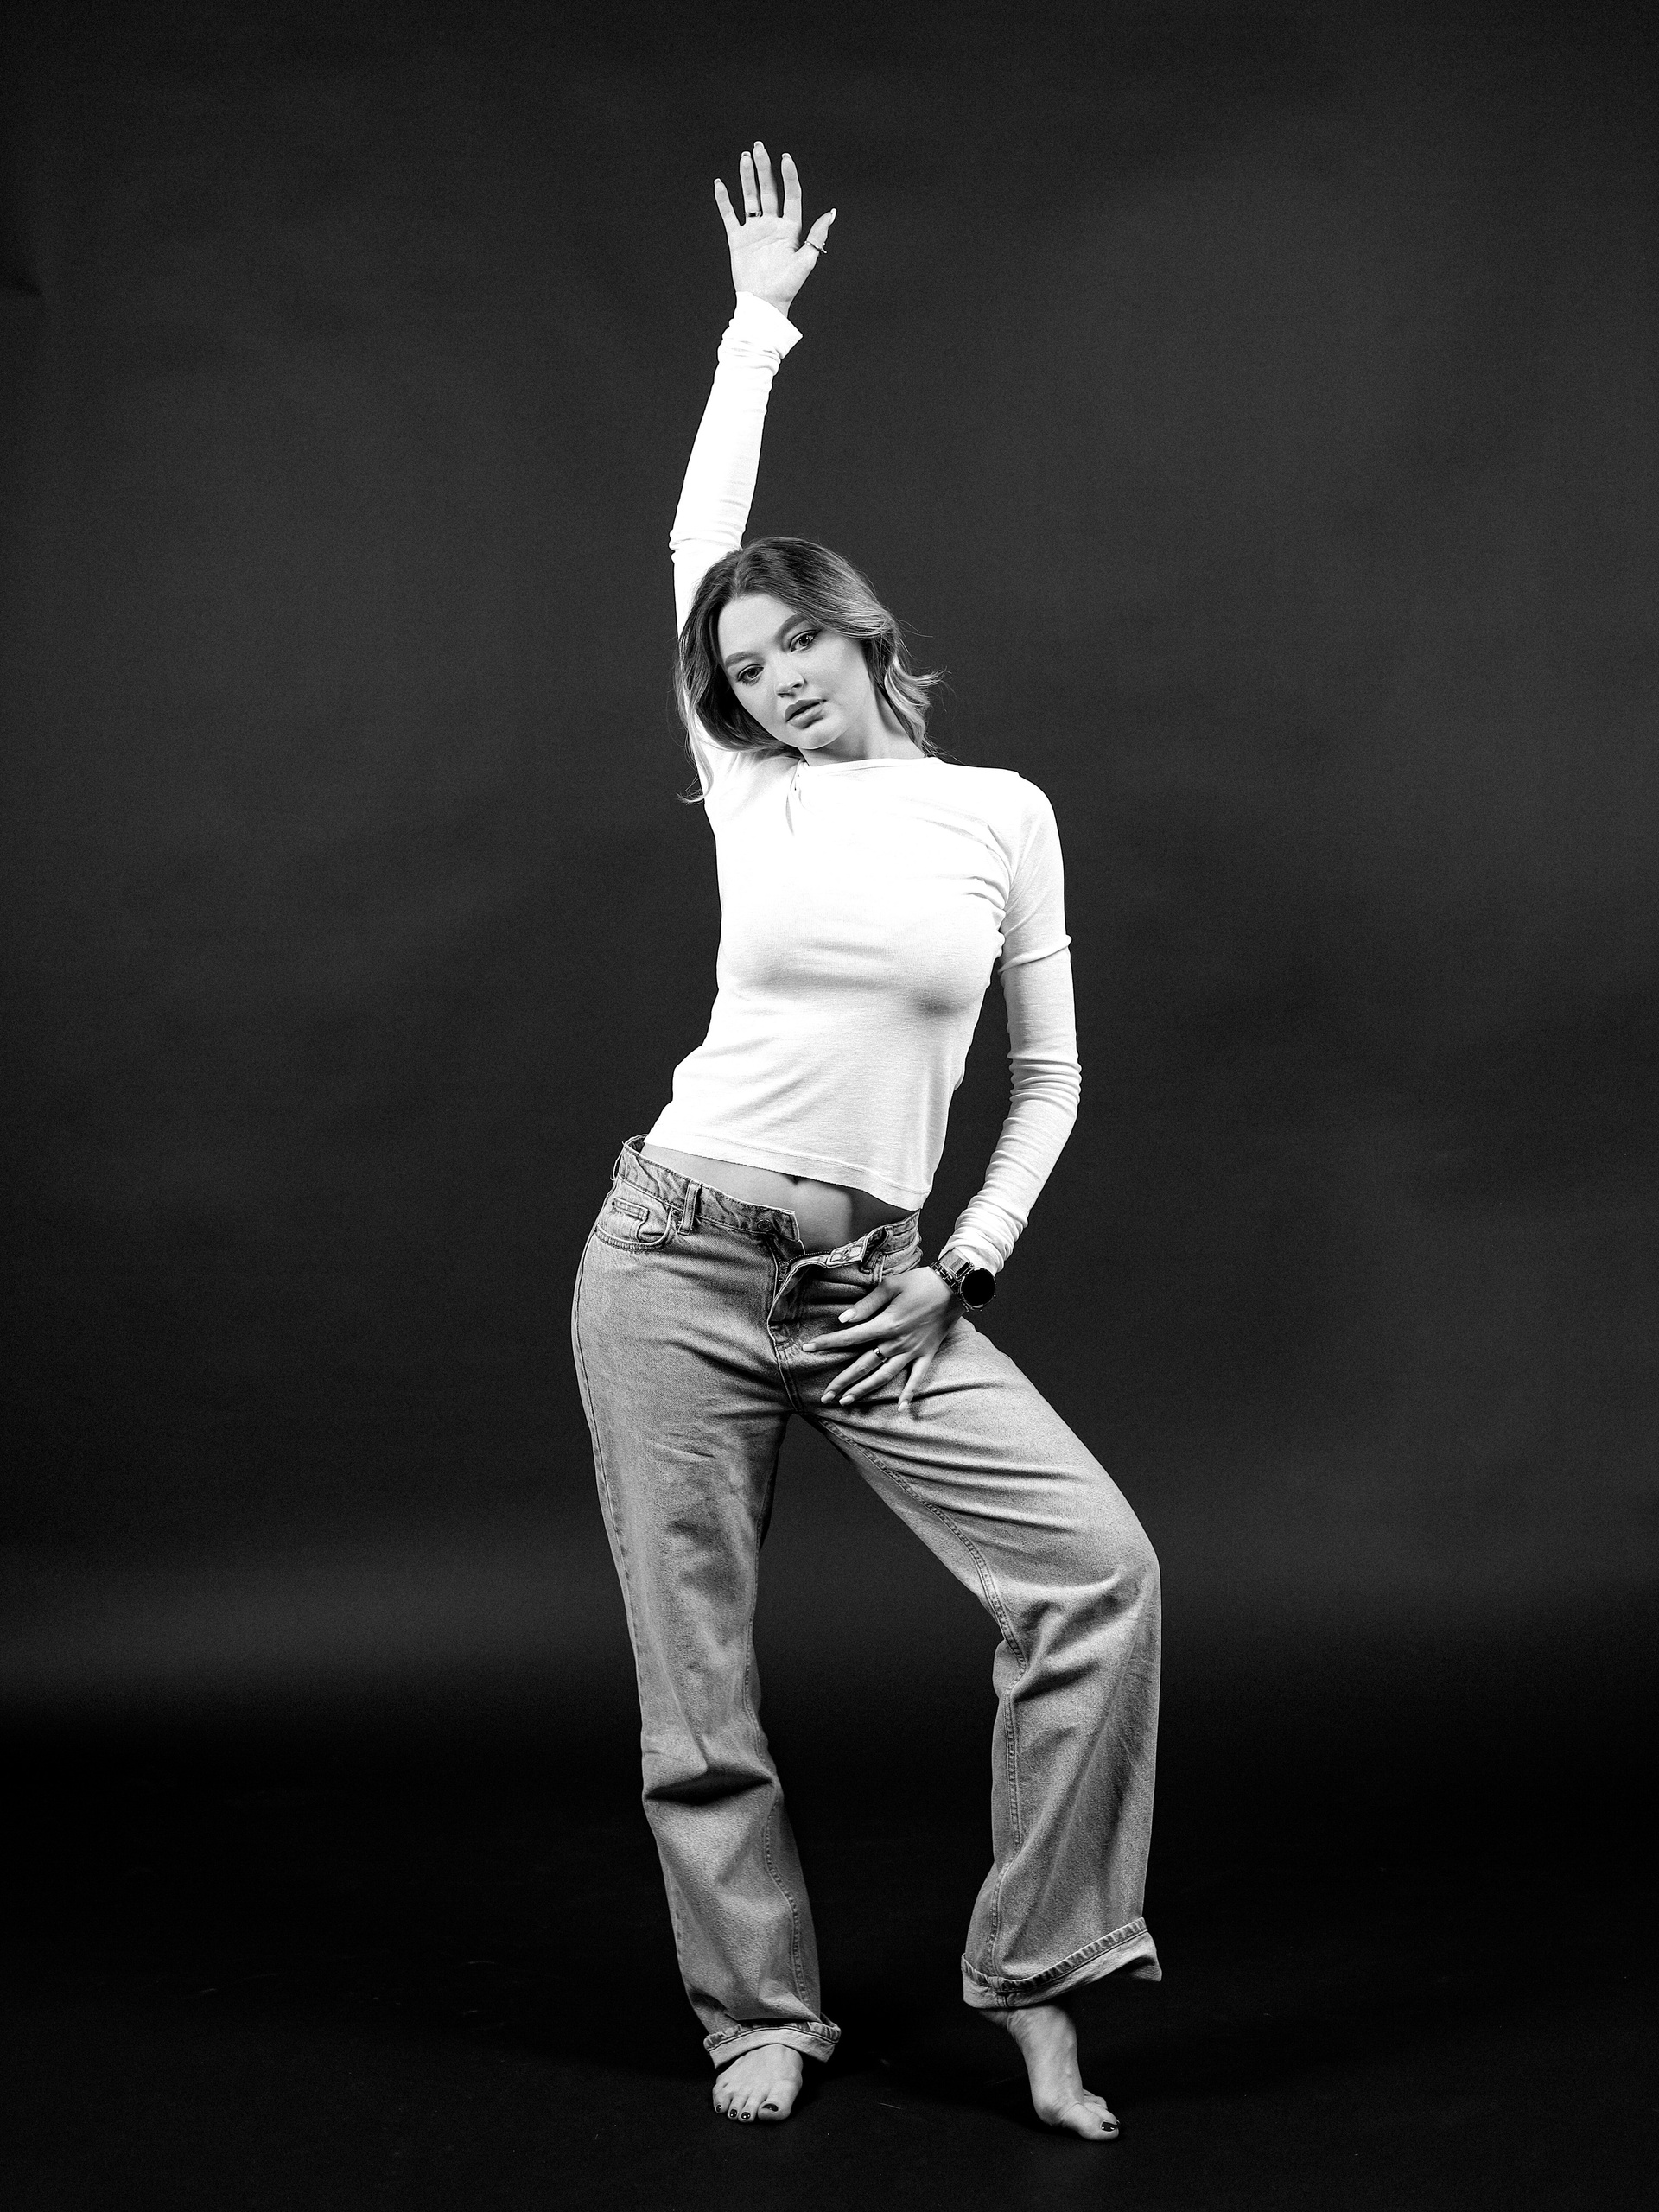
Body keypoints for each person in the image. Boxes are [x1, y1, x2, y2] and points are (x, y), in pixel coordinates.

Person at [570, 141, 1161, 2139]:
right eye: (740, 672)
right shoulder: (755, 798)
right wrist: (752, 333)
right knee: (698, 1677)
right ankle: (758, 2005)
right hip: (671, 1258)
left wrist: (964, 1259)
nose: (772, 683)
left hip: (876, 1285)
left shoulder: (1001, 812)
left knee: (1098, 1578)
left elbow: (1049, 1078)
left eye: (792, 645)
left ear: (854, 625)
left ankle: (1044, 1980)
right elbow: (695, 538)